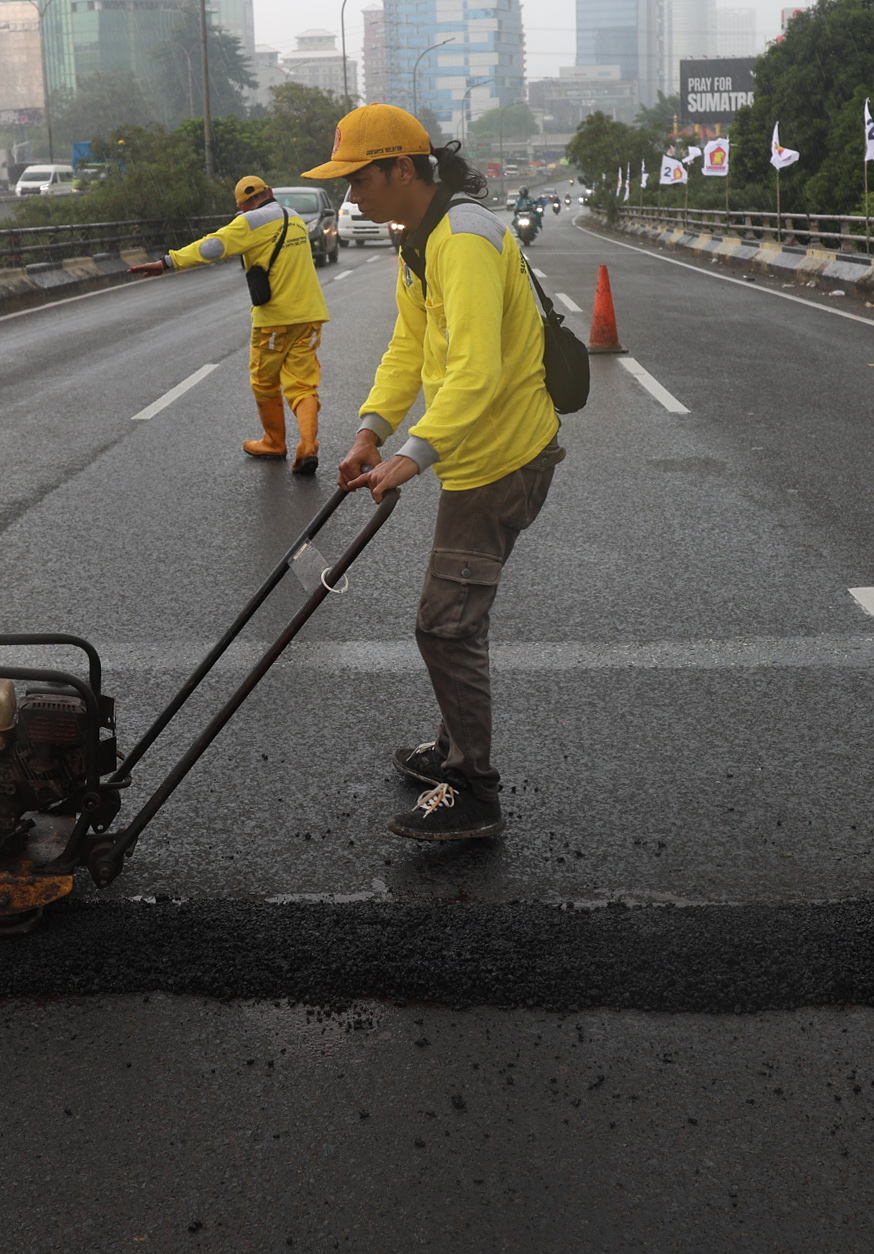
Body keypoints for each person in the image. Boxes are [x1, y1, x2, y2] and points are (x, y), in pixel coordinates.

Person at [305, 105, 565, 842]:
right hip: (475, 453)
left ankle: (472, 788)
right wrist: (369, 429)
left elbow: (477, 370)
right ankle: (453, 749)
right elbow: (410, 345)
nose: (350, 197)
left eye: (357, 180)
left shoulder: (465, 239)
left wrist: (410, 456)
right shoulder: (418, 240)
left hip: (502, 459)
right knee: (446, 622)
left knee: (444, 627)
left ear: (400, 169)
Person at [129, 175, 331, 473]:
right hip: (311, 313)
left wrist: (167, 262)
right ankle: (308, 444)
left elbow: (211, 248)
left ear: (241, 205)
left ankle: (275, 442)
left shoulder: (249, 222)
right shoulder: (296, 217)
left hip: (275, 319)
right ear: (270, 192)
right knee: (303, 385)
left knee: (265, 382)